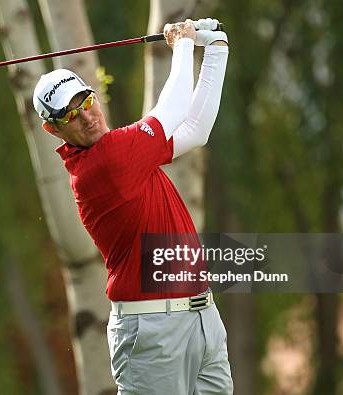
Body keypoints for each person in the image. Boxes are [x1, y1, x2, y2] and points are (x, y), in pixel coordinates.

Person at [32, 18, 232, 395]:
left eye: (87, 101)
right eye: (71, 114)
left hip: (201, 317)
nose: (88, 116)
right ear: (53, 129)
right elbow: (171, 111)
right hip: (153, 333)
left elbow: (196, 129)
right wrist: (184, 44)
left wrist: (216, 51)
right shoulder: (104, 163)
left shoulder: (129, 154)